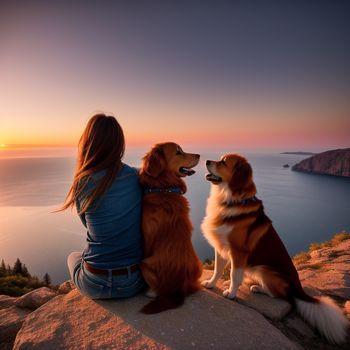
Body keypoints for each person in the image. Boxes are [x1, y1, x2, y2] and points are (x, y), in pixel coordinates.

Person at [60, 113, 145, 299]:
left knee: (73, 256)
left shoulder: (83, 181)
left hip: (93, 282)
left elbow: (87, 224)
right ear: (119, 144)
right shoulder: (135, 177)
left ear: (87, 143)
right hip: (134, 281)